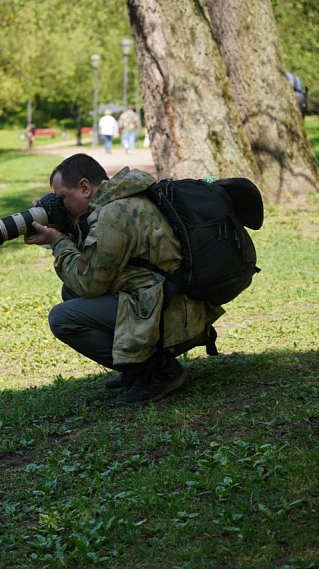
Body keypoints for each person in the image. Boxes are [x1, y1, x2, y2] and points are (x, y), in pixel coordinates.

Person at [23, 153, 223, 404]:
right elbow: (93, 267)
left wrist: (56, 242)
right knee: (70, 292)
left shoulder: (112, 215)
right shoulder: (124, 197)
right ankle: (136, 369)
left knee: (63, 318)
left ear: (84, 187)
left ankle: (156, 371)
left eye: (62, 197)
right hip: (177, 301)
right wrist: (65, 227)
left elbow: (89, 283)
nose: (59, 204)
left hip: (172, 313)